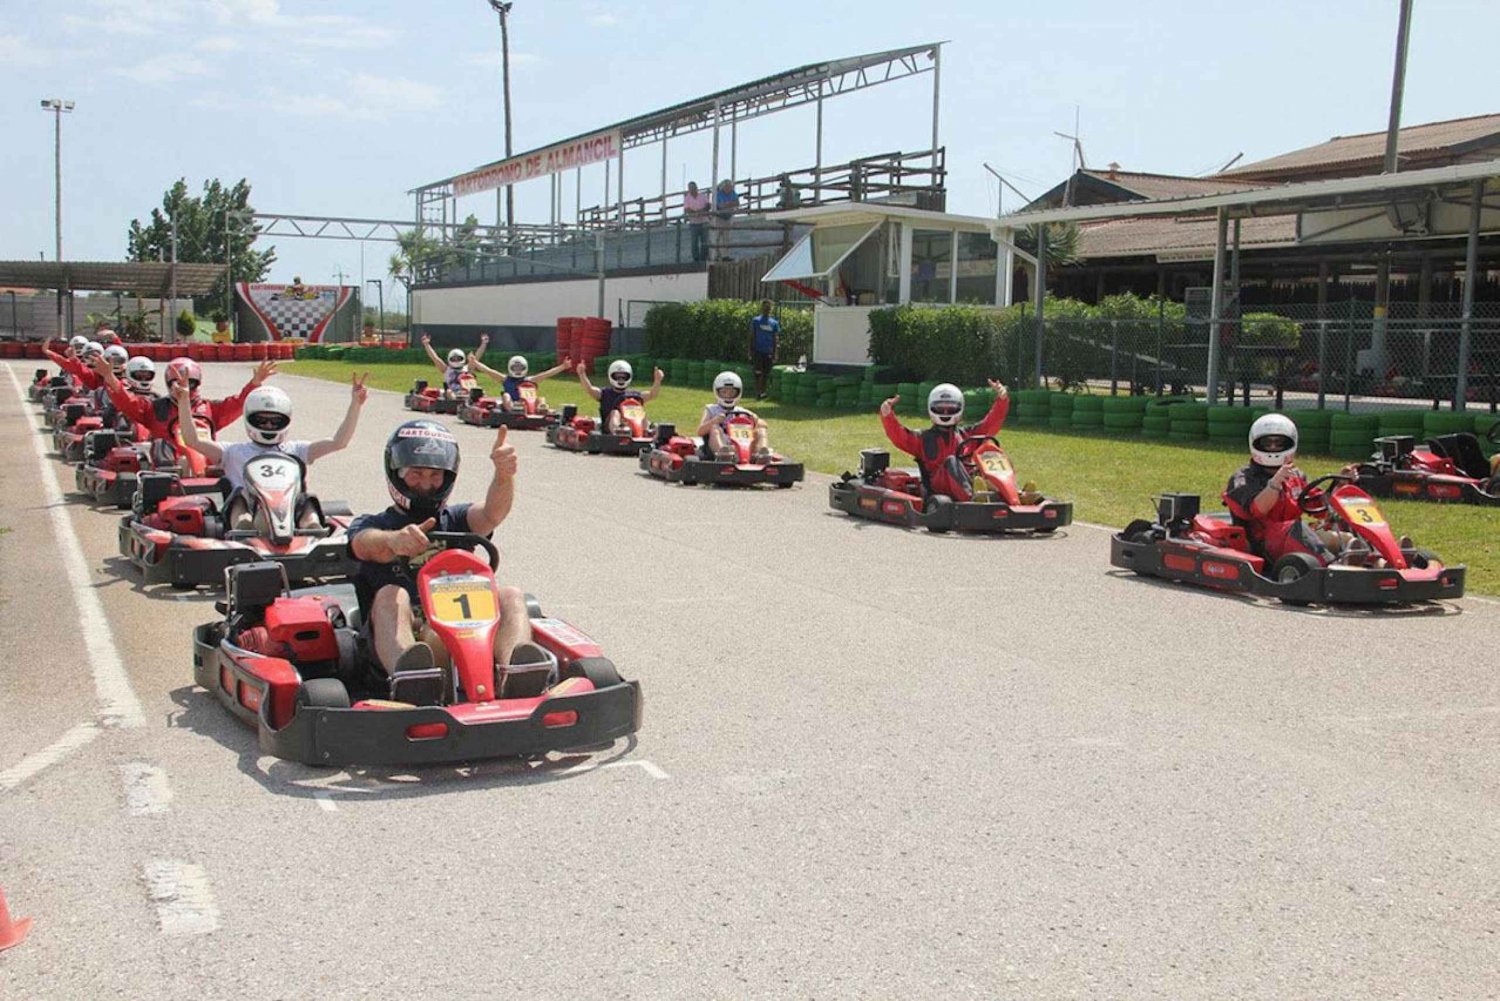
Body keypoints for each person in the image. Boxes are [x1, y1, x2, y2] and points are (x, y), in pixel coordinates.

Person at [348, 420, 552, 705]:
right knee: (391, 594)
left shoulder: (456, 519)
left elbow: (492, 514)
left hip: (469, 627)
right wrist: (393, 541)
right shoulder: (375, 524)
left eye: (434, 475)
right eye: (416, 474)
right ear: (396, 473)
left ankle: (516, 673)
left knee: (510, 594)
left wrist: (504, 476)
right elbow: (364, 544)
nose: (426, 483)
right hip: (408, 633)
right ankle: (413, 679)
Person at [175, 374, 367, 530]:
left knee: (307, 499)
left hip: (288, 511)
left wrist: (355, 405)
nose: (268, 425)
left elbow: (338, 442)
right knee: (239, 496)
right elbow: (193, 440)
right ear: (250, 420)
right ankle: (243, 530)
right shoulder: (233, 451)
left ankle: (311, 529)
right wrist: (183, 401)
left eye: (275, 421)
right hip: (248, 513)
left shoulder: (295, 450)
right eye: (262, 421)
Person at [93, 354, 275, 474]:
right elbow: (126, 401)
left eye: (190, 383)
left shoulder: (210, 408)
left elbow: (238, 403)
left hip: (207, 464)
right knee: (165, 449)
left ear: (198, 383)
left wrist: (255, 382)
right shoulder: (155, 408)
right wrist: (110, 377)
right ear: (168, 383)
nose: (184, 386)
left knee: (231, 455)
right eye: (177, 382)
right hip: (168, 468)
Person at [1223, 413, 1366, 566]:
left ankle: (1375, 559)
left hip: (1294, 538)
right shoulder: (1243, 477)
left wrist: (1340, 483)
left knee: (1345, 521)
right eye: (1267, 443)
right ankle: (1332, 567)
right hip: (1262, 543)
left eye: (1279, 443)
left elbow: (1320, 508)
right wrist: (1275, 483)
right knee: (1297, 528)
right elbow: (1257, 509)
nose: (1273, 448)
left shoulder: (1296, 476)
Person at [878, 381, 1010, 501]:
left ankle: (1011, 495)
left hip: (967, 479)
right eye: (941, 408)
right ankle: (973, 499)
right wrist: (887, 415)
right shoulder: (923, 438)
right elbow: (899, 436)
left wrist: (1002, 400)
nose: (946, 412)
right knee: (951, 461)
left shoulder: (968, 434)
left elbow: (991, 423)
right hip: (938, 486)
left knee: (992, 453)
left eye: (950, 408)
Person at [696, 371, 774, 463]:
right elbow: (700, 431)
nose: (728, 395)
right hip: (722, 443)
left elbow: (764, 424)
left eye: (732, 392)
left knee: (761, 430)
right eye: (724, 392)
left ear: (738, 393)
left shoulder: (743, 411)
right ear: (717, 392)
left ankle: (762, 454)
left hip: (744, 444)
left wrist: (755, 419)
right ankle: (723, 455)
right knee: (715, 428)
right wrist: (715, 421)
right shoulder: (711, 409)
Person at [576, 359, 663, 431]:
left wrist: (657, 380)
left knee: (640, 411)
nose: (621, 380)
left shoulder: (635, 395)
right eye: (618, 377)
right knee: (615, 412)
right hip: (609, 428)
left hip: (632, 425)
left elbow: (652, 395)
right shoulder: (605, 393)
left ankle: (645, 431)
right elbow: (590, 389)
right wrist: (582, 374)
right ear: (611, 376)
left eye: (623, 377)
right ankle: (617, 431)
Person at [468, 353, 572, 410]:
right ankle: (512, 410)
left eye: (519, 368)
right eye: (515, 368)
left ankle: (541, 410)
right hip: (511, 404)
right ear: (510, 368)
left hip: (527, 404)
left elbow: (547, 374)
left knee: (541, 399)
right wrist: (475, 362)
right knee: (505, 396)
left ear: (525, 368)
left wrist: (563, 366)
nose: (517, 370)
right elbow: (488, 371)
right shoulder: (505, 380)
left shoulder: (530, 380)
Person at [419, 332, 488, 398]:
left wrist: (484, 343)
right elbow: (435, 358)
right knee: (449, 392)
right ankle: (456, 404)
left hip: (468, 393)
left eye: (458, 358)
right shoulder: (446, 369)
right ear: (450, 359)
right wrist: (426, 345)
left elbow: (477, 357)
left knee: (481, 391)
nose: (456, 361)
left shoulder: (467, 369)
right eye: (454, 359)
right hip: (453, 393)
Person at [748, 300, 780, 401]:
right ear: (762, 308)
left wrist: (775, 353)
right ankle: (758, 392)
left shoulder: (774, 323)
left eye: (769, 308)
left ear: (770, 309)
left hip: (768, 352)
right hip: (758, 351)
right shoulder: (756, 321)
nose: (767, 309)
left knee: (766, 373)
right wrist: (749, 350)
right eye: (765, 307)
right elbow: (751, 336)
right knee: (758, 372)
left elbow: (775, 338)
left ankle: (763, 392)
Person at [712, 179, 740, 262]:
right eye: (727, 186)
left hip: (728, 217)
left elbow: (737, 203)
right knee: (716, 237)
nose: (729, 188)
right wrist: (729, 204)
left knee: (726, 238)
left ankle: (725, 256)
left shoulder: (733, 193)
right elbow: (719, 206)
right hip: (719, 218)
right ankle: (716, 255)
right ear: (723, 187)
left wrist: (727, 204)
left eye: (730, 186)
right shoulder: (718, 194)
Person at [683, 181, 710, 263]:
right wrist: (695, 213)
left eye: (693, 188)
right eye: (690, 188)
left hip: (704, 221)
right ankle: (696, 259)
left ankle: (703, 258)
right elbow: (687, 209)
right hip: (693, 223)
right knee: (694, 242)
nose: (692, 190)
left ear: (696, 188)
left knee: (705, 241)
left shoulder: (702, 196)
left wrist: (701, 211)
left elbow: (708, 205)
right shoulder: (687, 198)